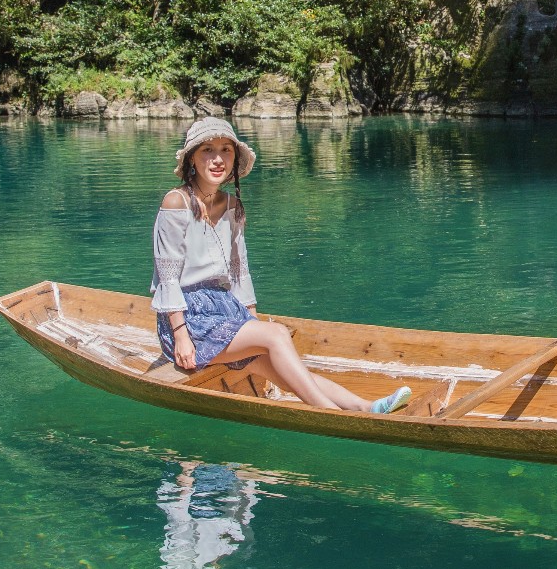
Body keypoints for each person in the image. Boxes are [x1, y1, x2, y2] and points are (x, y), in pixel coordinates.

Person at [151, 117, 412, 414]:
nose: (217, 159)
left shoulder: (231, 206)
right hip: (189, 320)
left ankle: (367, 407)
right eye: (207, 150)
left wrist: (252, 321)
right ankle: (330, 414)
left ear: (235, 159)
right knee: (277, 335)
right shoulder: (176, 202)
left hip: (224, 311)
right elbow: (167, 278)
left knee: (286, 369)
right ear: (192, 160)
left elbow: (239, 273)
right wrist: (181, 336)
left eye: (226, 150)